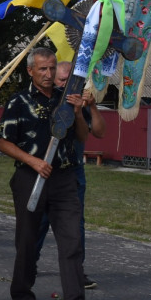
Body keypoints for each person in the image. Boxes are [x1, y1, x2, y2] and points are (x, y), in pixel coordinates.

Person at [0, 47, 100, 300]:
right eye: (42, 68)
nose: (48, 74)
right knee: (28, 240)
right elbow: (1, 141)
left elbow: (82, 136)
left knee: (72, 242)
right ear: (30, 70)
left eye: (52, 68)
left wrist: (78, 113)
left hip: (64, 178)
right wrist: (32, 161)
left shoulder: (65, 99)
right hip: (30, 177)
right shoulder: (18, 101)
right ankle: (22, 295)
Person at [36, 60, 106, 288]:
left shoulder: (79, 102)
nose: (68, 86)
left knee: (76, 223)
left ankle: (77, 271)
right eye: (63, 81)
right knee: (39, 220)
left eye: (72, 81)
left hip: (73, 169)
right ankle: (30, 262)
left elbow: (99, 132)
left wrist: (91, 106)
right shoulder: (46, 101)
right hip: (46, 168)